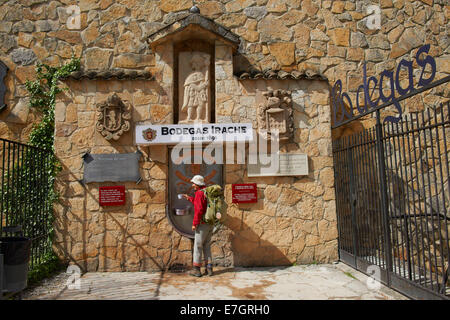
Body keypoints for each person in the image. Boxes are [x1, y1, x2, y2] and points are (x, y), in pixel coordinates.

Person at [182, 175, 214, 277]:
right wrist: (190, 198)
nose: (192, 185)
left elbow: (199, 210)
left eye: (194, 183)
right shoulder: (206, 191)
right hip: (210, 222)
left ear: (198, 184)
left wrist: (195, 223)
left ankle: (196, 269)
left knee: (198, 245)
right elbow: (200, 204)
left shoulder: (200, 193)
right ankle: (209, 269)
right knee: (207, 245)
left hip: (202, 224)